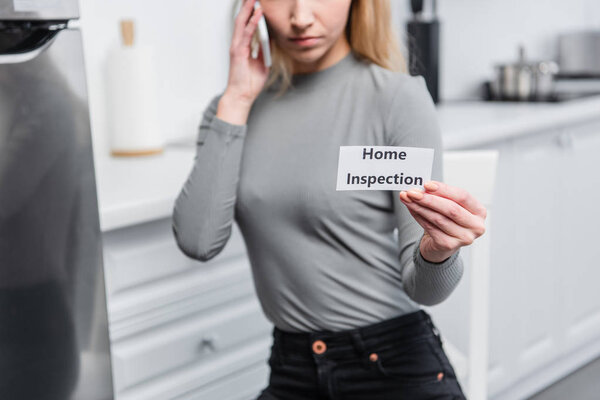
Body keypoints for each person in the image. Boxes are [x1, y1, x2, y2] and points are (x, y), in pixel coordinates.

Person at [172, 0, 487, 398]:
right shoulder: (231, 112)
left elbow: (425, 289)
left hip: (393, 365)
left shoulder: (396, 98)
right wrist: (236, 98)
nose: (300, 17)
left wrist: (439, 249)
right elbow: (197, 242)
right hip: (292, 369)